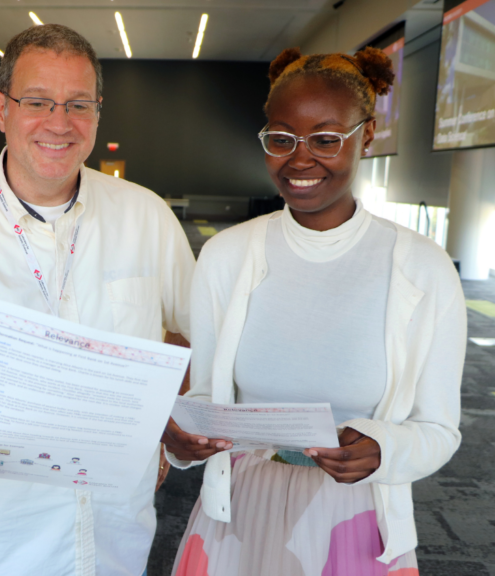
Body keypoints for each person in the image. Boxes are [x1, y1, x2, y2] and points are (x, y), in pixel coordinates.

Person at [0, 24, 195, 576]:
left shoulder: (146, 216)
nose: (59, 123)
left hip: (115, 538)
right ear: (1, 108)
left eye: (78, 104)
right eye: (38, 102)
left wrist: (167, 424)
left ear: (98, 112)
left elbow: (190, 334)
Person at [162, 47, 466, 576]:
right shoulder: (226, 255)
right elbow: (209, 398)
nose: (300, 160)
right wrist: (182, 439)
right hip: (240, 511)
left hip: (356, 515)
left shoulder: (423, 268)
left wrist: (383, 448)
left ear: (366, 135)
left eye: (326, 139)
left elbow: (440, 428)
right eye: (281, 139)